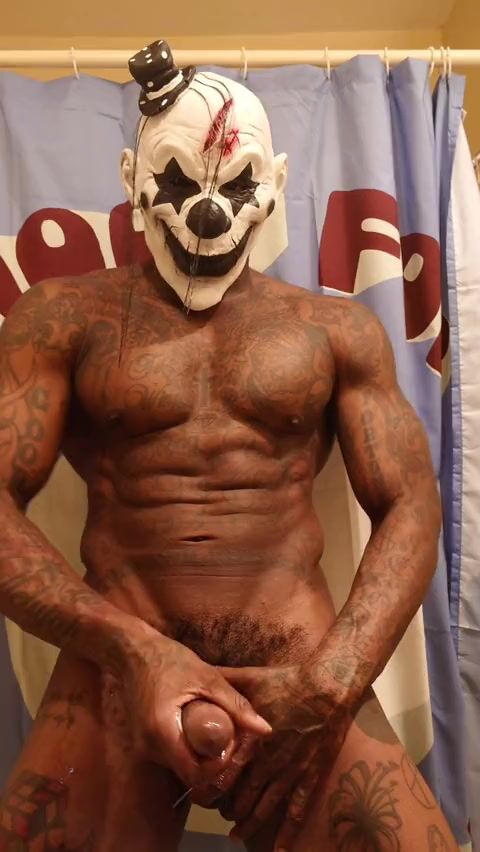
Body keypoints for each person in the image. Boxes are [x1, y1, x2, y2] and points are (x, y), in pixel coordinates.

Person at [0, 40, 458, 852]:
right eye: (178, 181)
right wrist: (134, 650)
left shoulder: (334, 330)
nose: (208, 212)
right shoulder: (63, 318)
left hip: (301, 668)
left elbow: (411, 504)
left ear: (273, 184)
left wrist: (335, 679)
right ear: (132, 178)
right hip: (117, 669)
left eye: (237, 184)